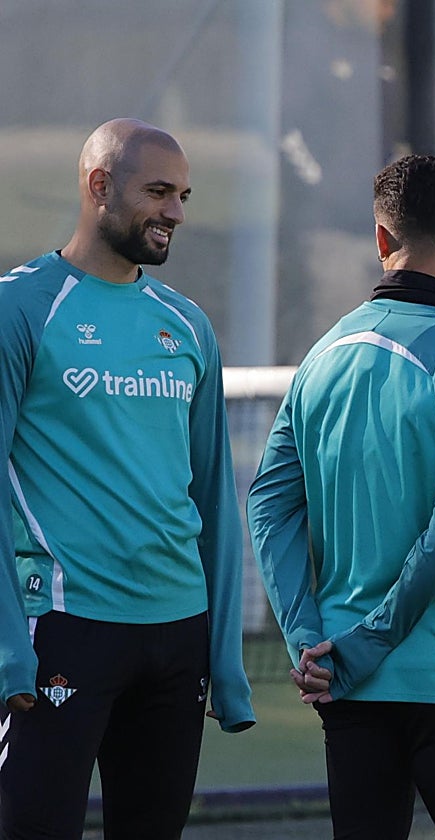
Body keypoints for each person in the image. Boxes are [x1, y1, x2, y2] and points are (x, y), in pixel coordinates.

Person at [247, 154, 435, 840]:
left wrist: (313, 643)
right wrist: (365, 646)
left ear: (380, 239)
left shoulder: (321, 358)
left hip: (346, 685)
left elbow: (268, 505)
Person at [0, 118, 255, 838]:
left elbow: (213, 500)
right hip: (63, 632)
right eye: (158, 192)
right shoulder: (18, 308)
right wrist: (7, 646)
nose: (176, 212)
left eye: (183, 195)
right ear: (98, 186)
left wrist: (224, 656)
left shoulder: (188, 325)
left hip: (176, 640)